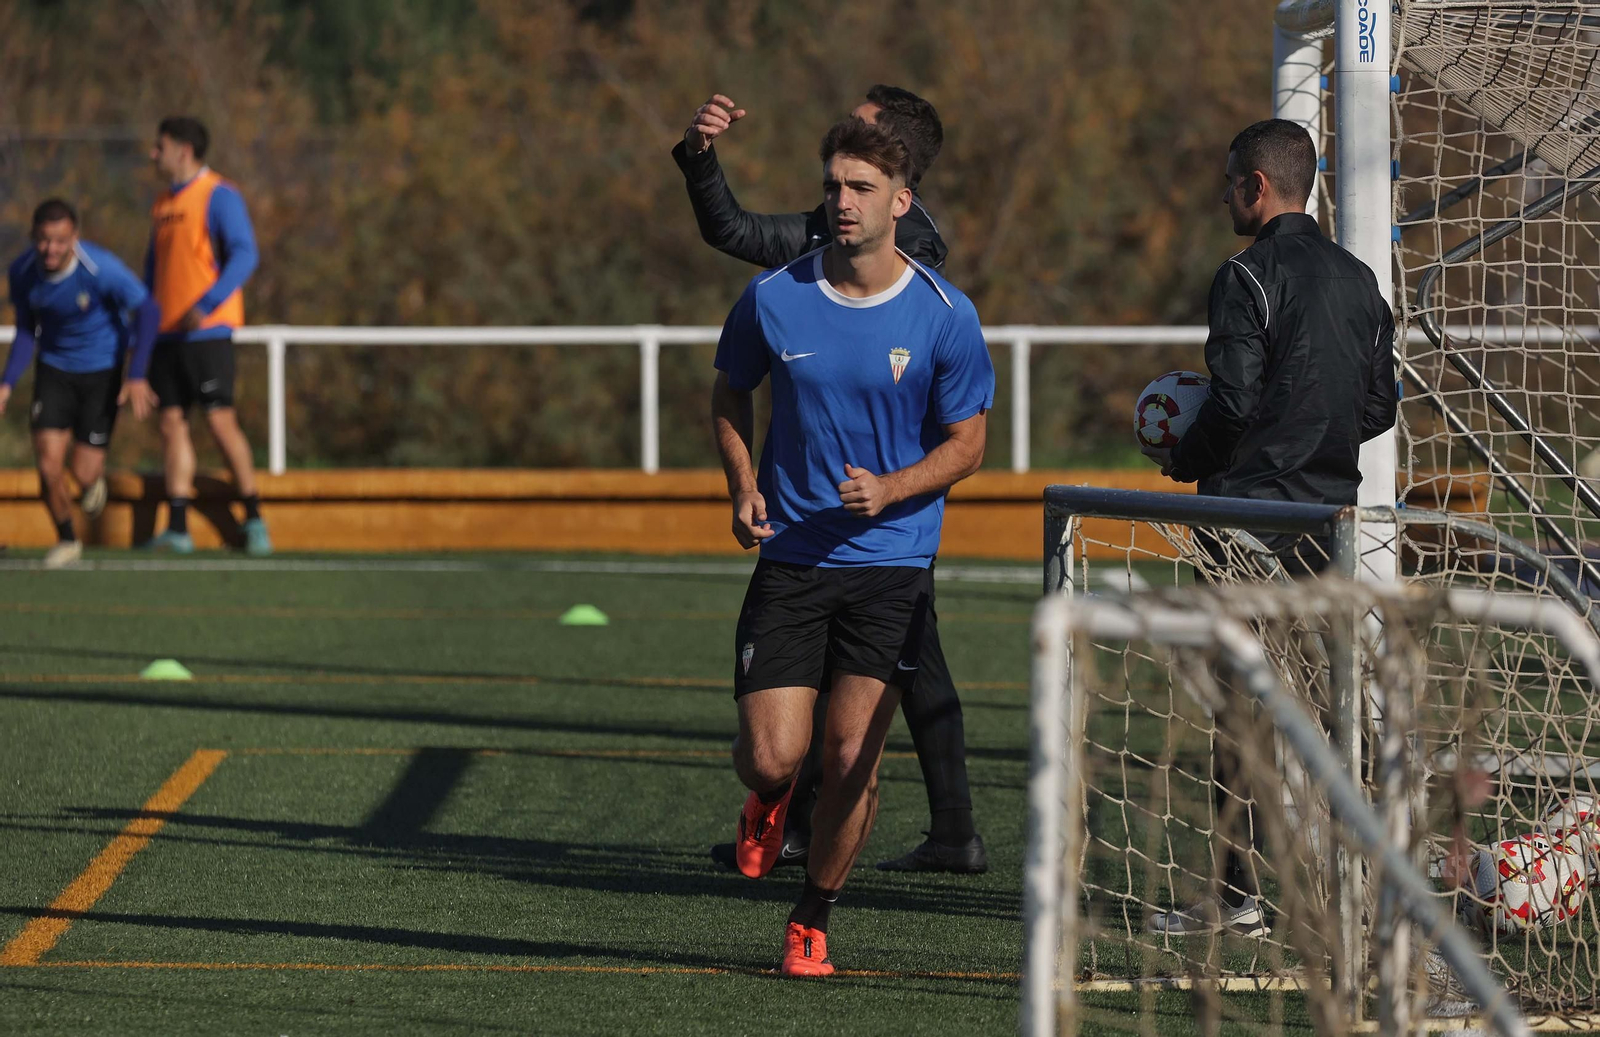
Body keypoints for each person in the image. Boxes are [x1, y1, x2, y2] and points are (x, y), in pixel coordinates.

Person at [680, 86, 988, 875]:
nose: (842, 194)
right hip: (804, 540)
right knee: (783, 744)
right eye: (836, 179)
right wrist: (700, 158)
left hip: (890, 538)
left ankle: (821, 890)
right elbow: (737, 233)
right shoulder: (800, 270)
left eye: (862, 168)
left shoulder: (919, 273)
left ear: (899, 179)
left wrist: (892, 488)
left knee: (868, 729)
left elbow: (967, 439)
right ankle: (794, 800)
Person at [1142, 118, 1398, 934]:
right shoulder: (1361, 278)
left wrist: (1188, 458)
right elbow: (1379, 407)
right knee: (1335, 706)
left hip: (1243, 521)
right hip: (1330, 524)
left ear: (1257, 186)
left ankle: (1236, 894)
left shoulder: (1245, 275)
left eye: (1228, 182)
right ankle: (1373, 887)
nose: (1222, 196)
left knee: (1238, 711)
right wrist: (1314, 443)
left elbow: (1236, 401)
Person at [2, 199, 160, 569]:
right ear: (32, 238)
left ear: (75, 237)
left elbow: (149, 310)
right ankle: (68, 539)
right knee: (48, 464)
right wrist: (7, 382)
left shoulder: (101, 269)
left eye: (60, 241)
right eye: (43, 240)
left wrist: (136, 373)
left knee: (83, 471)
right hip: (54, 370)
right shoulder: (22, 272)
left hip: (102, 371)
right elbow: (27, 329)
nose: (51, 249)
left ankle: (92, 483)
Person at [142, 115, 270, 555]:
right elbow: (152, 271)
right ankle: (178, 528)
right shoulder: (161, 204)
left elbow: (245, 254)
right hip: (166, 338)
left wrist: (207, 304)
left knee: (220, 421)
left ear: (183, 149)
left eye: (159, 147)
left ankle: (254, 519)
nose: (153, 155)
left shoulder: (219, 194)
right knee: (171, 423)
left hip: (208, 335)